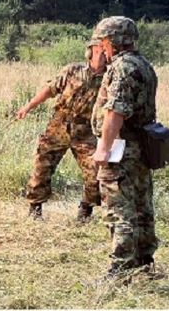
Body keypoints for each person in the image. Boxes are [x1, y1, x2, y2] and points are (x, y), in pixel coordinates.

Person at [90, 16, 158, 276]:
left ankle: (120, 270)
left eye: (103, 42)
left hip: (121, 149)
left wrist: (104, 149)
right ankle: (143, 262)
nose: (102, 47)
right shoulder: (143, 65)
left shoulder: (121, 68)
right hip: (141, 148)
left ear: (111, 41)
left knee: (119, 209)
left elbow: (115, 112)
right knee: (141, 205)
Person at [17, 40, 107, 220]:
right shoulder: (72, 70)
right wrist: (28, 106)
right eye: (98, 51)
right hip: (59, 124)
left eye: (105, 51)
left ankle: (86, 208)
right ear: (90, 52)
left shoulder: (110, 77)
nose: (101, 55)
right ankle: (35, 209)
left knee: (96, 171)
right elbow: (49, 90)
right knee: (42, 165)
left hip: (86, 130)